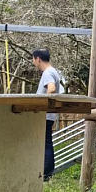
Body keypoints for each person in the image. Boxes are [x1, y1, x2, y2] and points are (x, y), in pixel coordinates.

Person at [32, 48, 62, 180]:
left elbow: (51, 88)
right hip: (49, 114)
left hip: (45, 114)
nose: (33, 63)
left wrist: (45, 104)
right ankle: (47, 172)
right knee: (46, 142)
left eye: (33, 60)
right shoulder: (53, 71)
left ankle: (46, 172)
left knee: (45, 143)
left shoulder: (48, 73)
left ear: (38, 59)